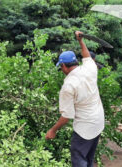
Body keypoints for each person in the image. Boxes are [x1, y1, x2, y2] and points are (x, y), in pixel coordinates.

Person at [45, 31, 105, 167]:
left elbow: (66, 116)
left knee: (78, 158)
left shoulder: (68, 86)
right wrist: (80, 41)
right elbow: (87, 56)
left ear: (63, 66)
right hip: (98, 122)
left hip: (84, 128)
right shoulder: (90, 68)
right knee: (89, 157)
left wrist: (52, 130)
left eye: (61, 68)